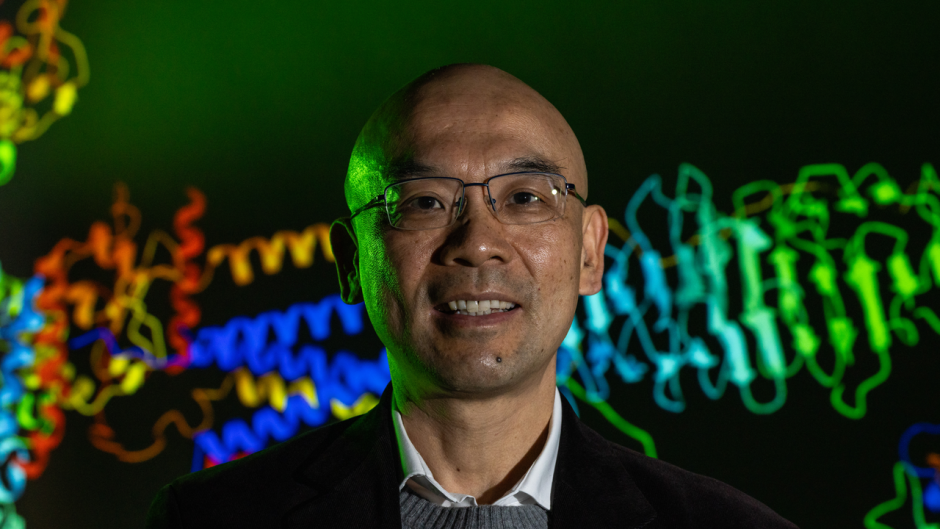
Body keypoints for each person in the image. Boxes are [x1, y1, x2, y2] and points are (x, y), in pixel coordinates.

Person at [146, 64, 797, 528]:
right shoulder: (210, 517)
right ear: (351, 261)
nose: (478, 241)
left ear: (591, 252)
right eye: (425, 202)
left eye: (525, 198)